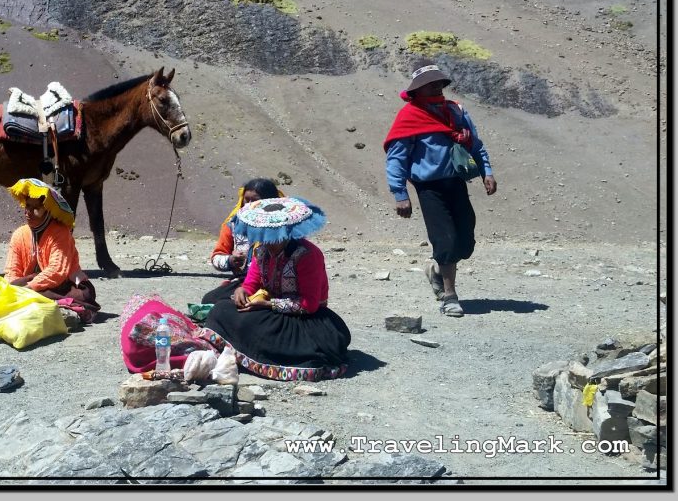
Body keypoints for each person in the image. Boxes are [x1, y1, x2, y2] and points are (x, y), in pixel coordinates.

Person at [383, 64, 497, 317]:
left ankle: (436, 273)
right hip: (429, 187)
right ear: (418, 89)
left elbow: (475, 143)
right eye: (431, 83)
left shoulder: (455, 112)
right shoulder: (409, 116)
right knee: (445, 239)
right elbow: (396, 158)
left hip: (455, 182)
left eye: (439, 82)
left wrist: (486, 171)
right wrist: (400, 193)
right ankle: (449, 295)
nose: (438, 86)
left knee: (465, 241)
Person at [198, 197, 351, 381]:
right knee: (221, 309)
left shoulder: (308, 255)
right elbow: (252, 281)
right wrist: (242, 291)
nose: (265, 237)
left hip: (306, 321)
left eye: (269, 232)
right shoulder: (261, 251)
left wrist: (269, 304)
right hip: (271, 310)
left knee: (251, 326)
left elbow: (309, 304)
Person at [3, 178, 100, 323]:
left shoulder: (60, 233)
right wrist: (12, 290)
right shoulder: (19, 234)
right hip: (28, 284)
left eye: (36, 208)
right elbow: (12, 270)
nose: (28, 212)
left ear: (48, 210)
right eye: (27, 206)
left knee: (81, 295)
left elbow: (57, 271)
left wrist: (29, 288)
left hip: (63, 284)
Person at [200, 178, 283, 308]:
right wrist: (230, 260)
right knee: (210, 300)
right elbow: (216, 257)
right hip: (244, 282)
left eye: (255, 200)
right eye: (246, 199)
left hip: (277, 285)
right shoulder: (233, 225)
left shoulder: (283, 226)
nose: (249, 204)